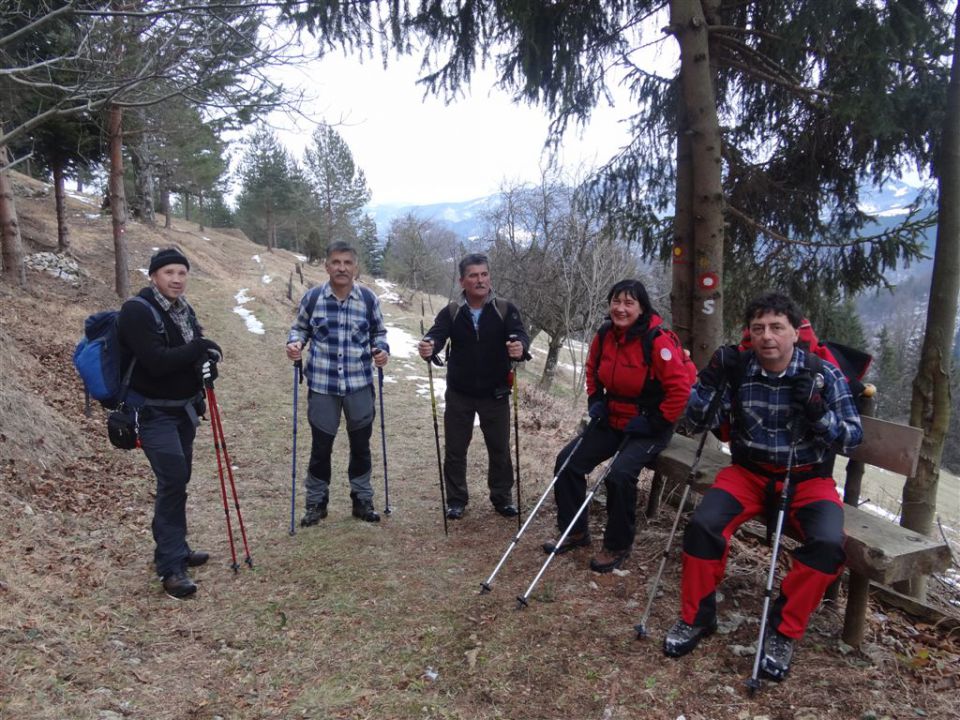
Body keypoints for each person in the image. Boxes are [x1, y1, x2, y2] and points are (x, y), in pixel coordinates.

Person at [663, 292, 863, 681]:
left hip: (807, 477)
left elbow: (853, 438)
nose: (767, 336)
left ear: (794, 332)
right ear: (749, 334)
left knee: (827, 545)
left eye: (776, 327)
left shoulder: (823, 374)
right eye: (758, 328)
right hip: (748, 473)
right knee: (703, 526)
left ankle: (783, 629)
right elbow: (698, 421)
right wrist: (708, 381)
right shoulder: (739, 369)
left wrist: (818, 412)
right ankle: (698, 618)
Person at [543, 279, 695, 573]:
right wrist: (594, 399)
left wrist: (657, 421)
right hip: (612, 417)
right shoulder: (605, 334)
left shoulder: (657, 340)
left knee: (619, 475)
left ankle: (617, 544)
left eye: (629, 303)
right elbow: (592, 368)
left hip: (649, 424)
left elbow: (680, 389)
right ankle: (574, 531)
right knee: (568, 462)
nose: (621, 308)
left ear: (641, 308)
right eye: (616, 301)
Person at [118, 247, 223, 599]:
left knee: (180, 479)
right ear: (153, 276)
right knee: (173, 479)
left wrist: (208, 360)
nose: (177, 279)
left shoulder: (183, 310)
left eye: (182, 273)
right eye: (169, 273)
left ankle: (175, 547)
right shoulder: (137, 310)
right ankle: (171, 567)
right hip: (152, 412)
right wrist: (199, 348)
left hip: (183, 410)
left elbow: (191, 352)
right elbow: (156, 362)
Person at [417, 253, 530, 520]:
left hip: (496, 392)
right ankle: (456, 500)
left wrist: (520, 347)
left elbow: (520, 336)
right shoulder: (452, 312)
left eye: (484, 274)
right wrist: (429, 345)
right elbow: (437, 334)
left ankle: (502, 498)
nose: (480, 280)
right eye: (473, 275)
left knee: (500, 449)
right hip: (460, 393)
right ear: (462, 281)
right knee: (455, 449)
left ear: (489, 277)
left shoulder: (504, 309)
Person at [286, 241, 390, 527]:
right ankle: (316, 503)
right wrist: (295, 343)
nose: (341, 268)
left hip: (358, 384)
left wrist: (381, 350)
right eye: (336, 262)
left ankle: (362, 500)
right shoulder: (313, 298)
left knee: (361, 445)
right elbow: (300, 327)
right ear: (327, 265)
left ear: (355, 267)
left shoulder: (368, 299)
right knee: (321, 446)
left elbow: (379, 333)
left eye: (347, 262)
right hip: (322, 384)